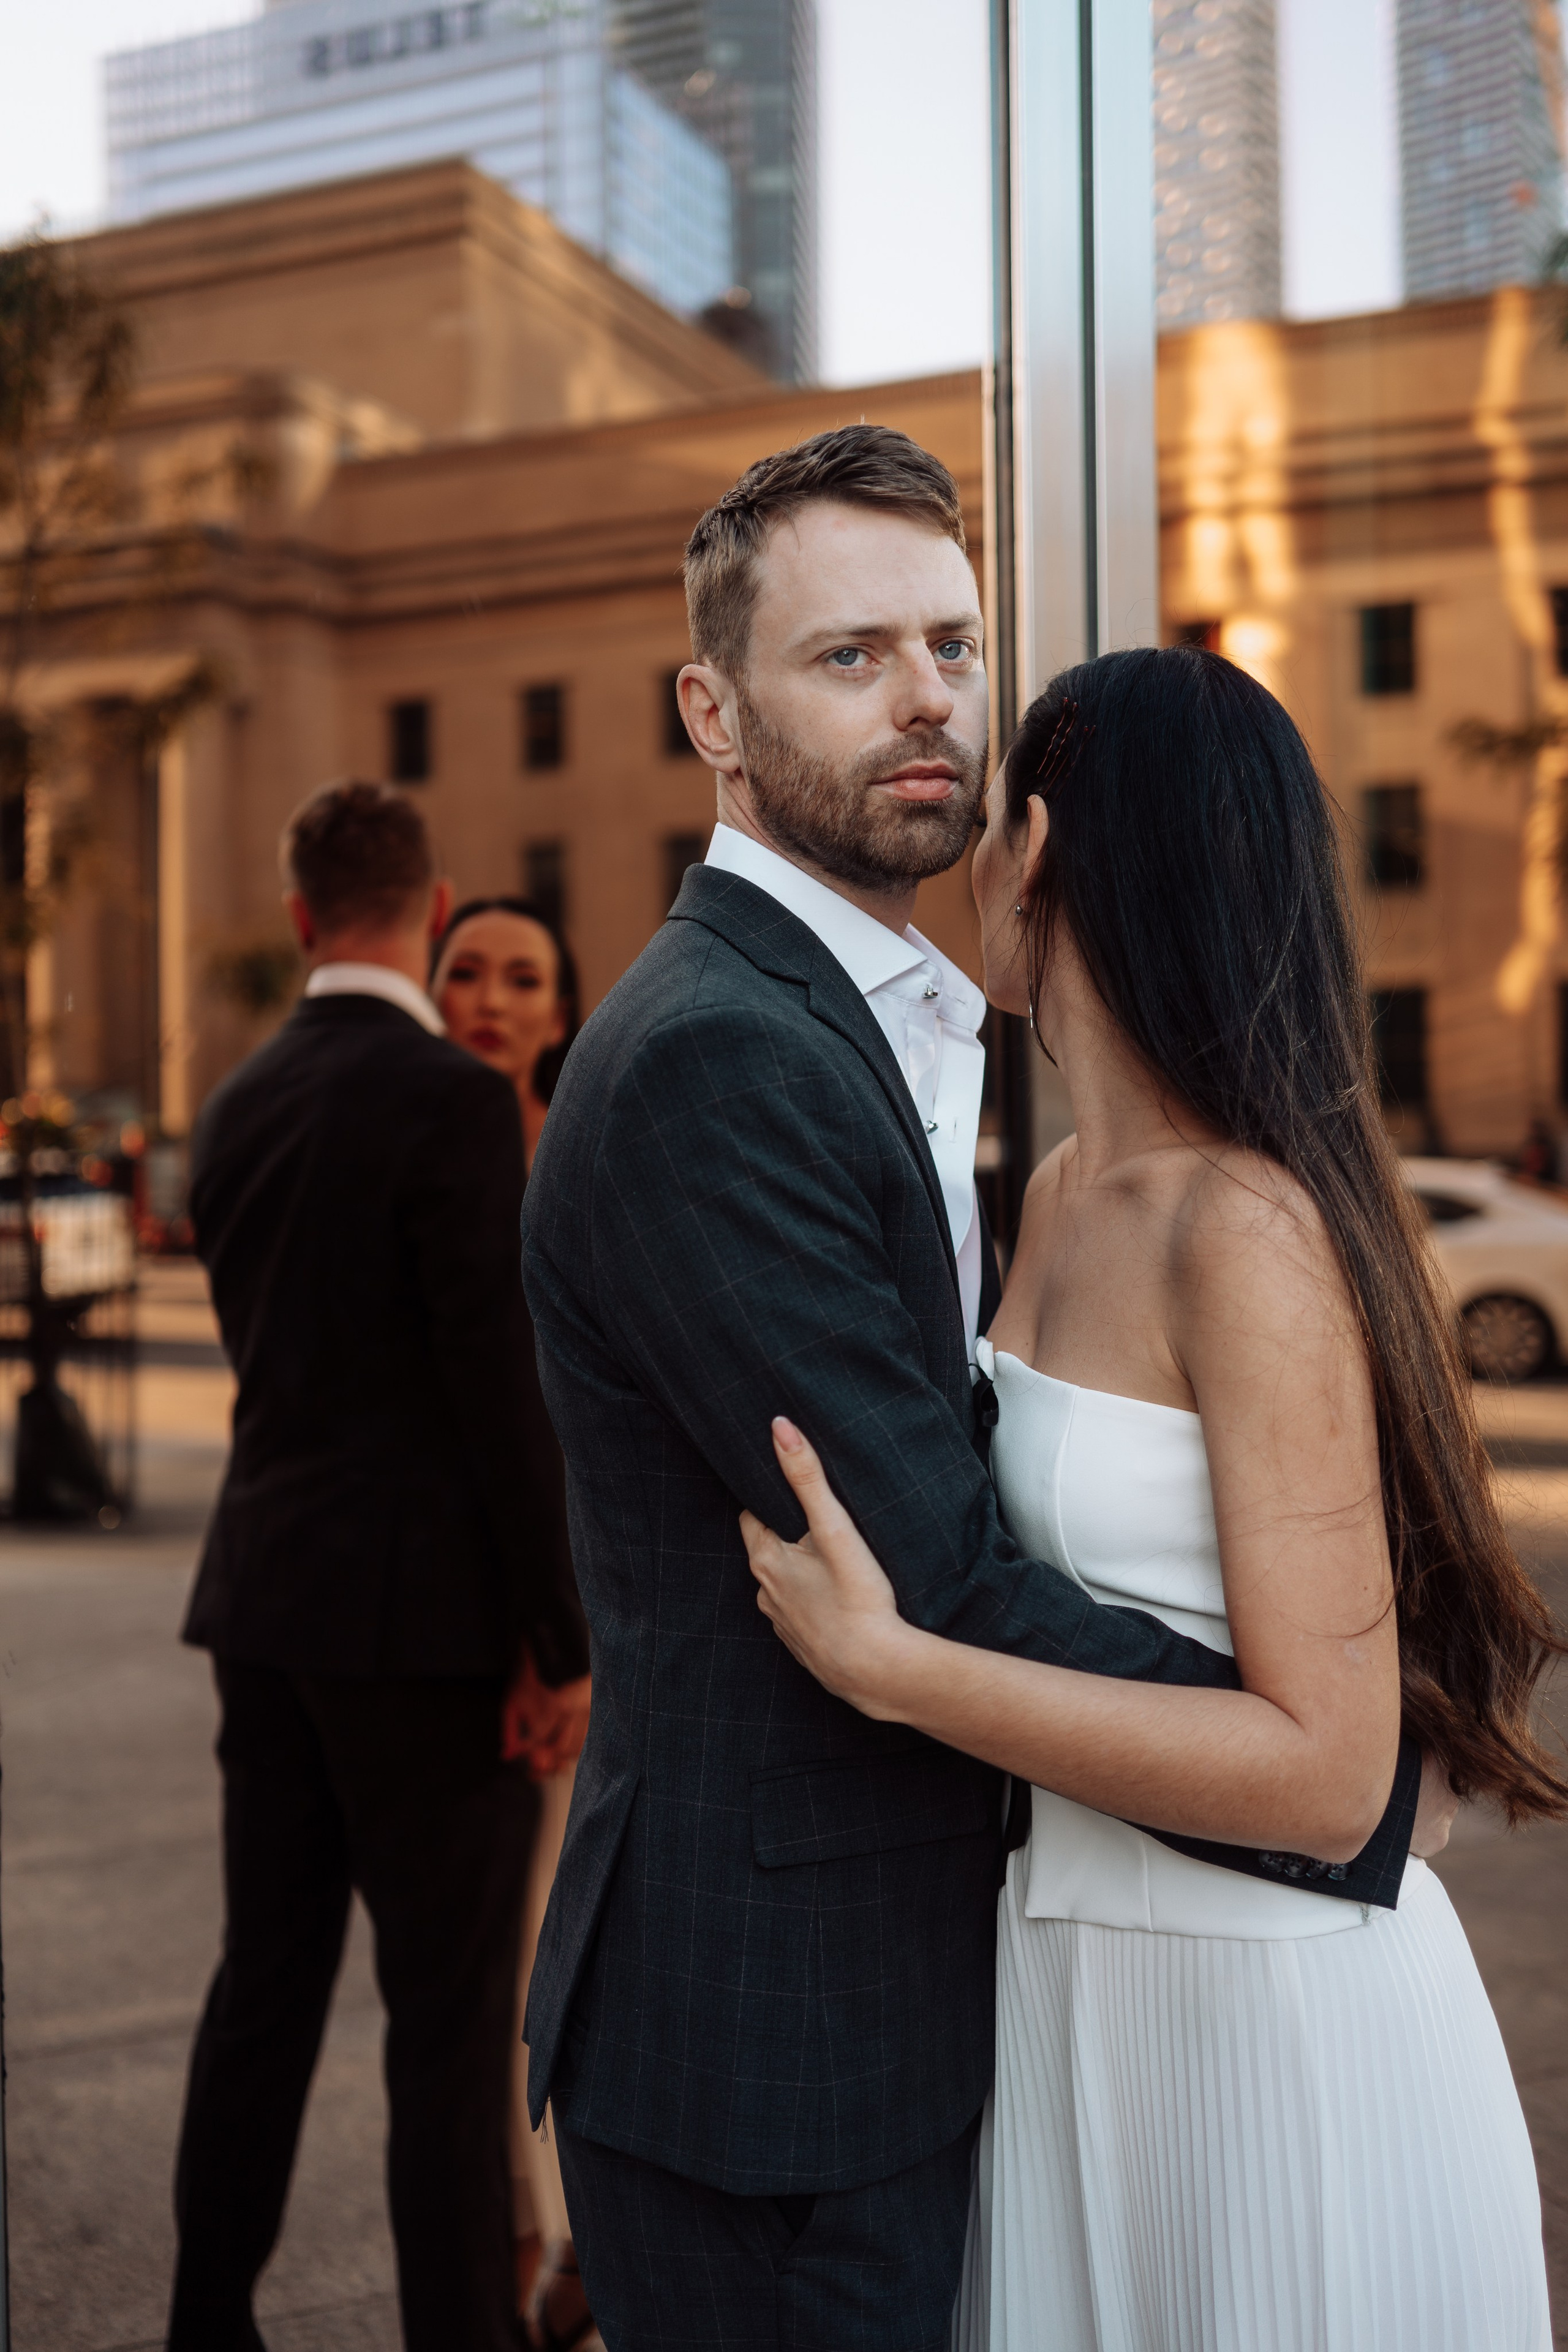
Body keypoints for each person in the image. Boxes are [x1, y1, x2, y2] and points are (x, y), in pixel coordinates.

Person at [518, 427, 1438, 2351]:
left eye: (950, 644)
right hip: (782, 2049)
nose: (928, 696)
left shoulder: (908, 1048)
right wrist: (1334, 1773)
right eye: (849, 656)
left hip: (954, 2008)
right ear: (713, 714)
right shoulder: (722, 1057)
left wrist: (1327, 1748)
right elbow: (929, 1571)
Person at [742, 648, 1565, 2352]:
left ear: (1034, 849)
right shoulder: (1058, 1192)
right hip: (1064, 1993)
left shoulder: (1242, 1227)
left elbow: (1331, 1775)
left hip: (1267, 2021)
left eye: (984, 823)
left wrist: (901, 1675)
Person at [169, 781, 589, 2352]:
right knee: (443, 2034)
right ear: (433, 909)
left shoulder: (236, 1101)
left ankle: (205, 2320)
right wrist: (559, 1638)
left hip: (263, 1605)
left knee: (260, 1996)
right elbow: (493, 1395)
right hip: (425, 1640)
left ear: (298, 917)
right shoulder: (450, 1102)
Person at [431, 895, 599, 2352]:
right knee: (488, 1963)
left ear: (559, 1011)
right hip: (456, 1629)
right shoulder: (417, 1154)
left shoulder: (581, 1160)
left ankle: (571, 2243)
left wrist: (570, 1650)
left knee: (568, 1940)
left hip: (581, 1613)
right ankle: (529, 2237)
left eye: (521, 978)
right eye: (465, 972)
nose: (490, 999)